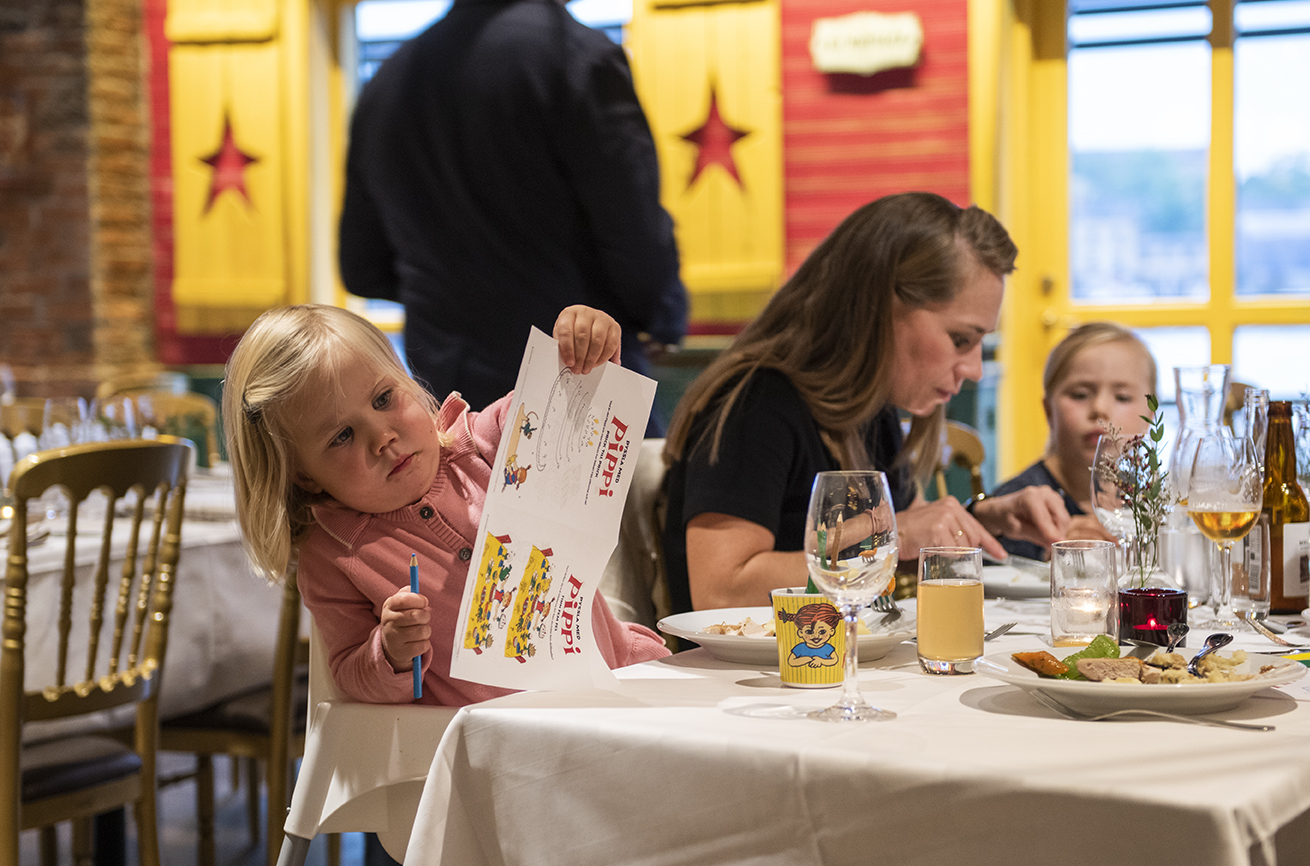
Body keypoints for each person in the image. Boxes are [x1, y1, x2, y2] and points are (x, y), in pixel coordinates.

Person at [222, 302, 670, 706]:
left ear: (407, 383)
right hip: (500, 743)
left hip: (622, 678)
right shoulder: (335, 554)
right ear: (303, 476)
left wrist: (588, 341)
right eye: (341, 436)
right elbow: (349, 673)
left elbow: (570, 401)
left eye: (384, 399)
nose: (383, 438)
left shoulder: (486, 443)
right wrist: (390, 653)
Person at [660, 192, 1069, 613]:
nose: (974, 370)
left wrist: (984, 522)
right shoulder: (756, 403)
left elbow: (907, 539)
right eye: (961, 339)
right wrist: (891, 538)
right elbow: (720, 589)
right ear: (879, 308)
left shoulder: (872, 410)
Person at [339, 0, 685, 418]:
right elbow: (637, 242)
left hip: (446, 407)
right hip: (576, 393)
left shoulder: (384, 84)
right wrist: (660, 317)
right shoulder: (575, 56)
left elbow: (360, 267)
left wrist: (450, 293)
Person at [987, 321, 1157, 560]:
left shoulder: (1150, 499)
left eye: (1122, 397)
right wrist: (1051, 550)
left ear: (1150, 413)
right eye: (1080, 395)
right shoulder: (1018, 505)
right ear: (1048, 411)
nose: (1099, 409)